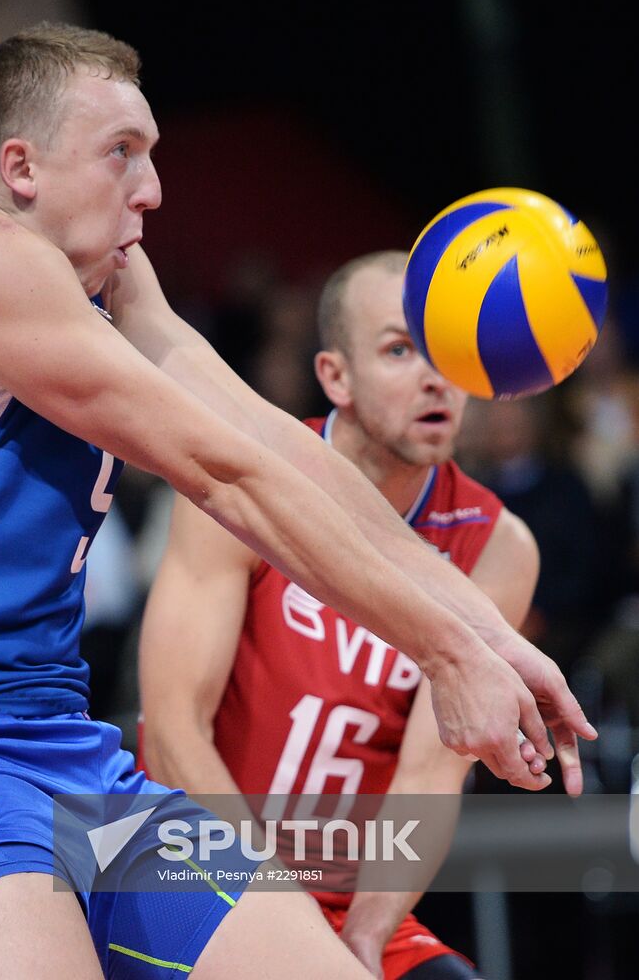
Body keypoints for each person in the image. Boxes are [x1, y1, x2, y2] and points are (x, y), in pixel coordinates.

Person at [0, 21, 591, 980]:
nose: (150, 190)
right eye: (121, 155)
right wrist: (442, 650)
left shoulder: (104, 272)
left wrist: (490, 640)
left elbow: (275, 443)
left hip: (73, 760)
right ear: (20, 165)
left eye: (151, 154)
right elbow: (223, 474)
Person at [137, 250, 541, 979]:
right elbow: (170, 732)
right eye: (398, 349)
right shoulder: (244, 482)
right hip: (180, 863)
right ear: (335, 377)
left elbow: (428, 777)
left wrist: (359, 940)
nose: (434, 375)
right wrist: (283, 926)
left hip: (347, 898)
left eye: (448, 352)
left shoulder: (498, 545)